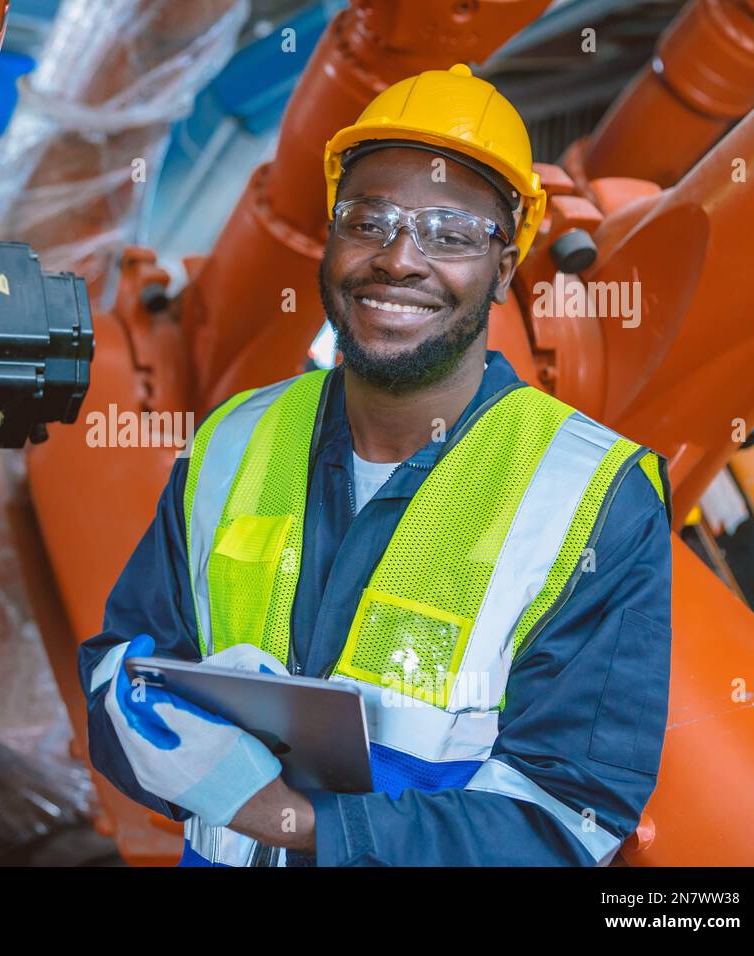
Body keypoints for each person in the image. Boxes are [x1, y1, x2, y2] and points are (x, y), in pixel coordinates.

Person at [77, 64, 672, 866]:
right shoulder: (232, 440)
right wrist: (166, 729)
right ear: (331, 239)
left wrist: (285, 816)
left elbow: (567, 818)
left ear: (504, 269)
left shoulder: (595, 497)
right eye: (369, 220)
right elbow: (120, 663)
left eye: (452, 235)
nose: (399, 259)